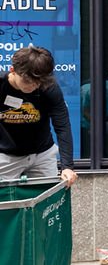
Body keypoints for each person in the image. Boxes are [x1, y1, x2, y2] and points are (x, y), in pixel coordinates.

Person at [0, 45, 78, 185]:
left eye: (37, 82)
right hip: (5, 155)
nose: (32, 87)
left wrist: (67, 166)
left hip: (42, 154)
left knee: (47, 201)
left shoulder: (48, 87)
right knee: (5, 202)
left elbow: (62, 126)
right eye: (27, 81)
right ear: (13, 70)